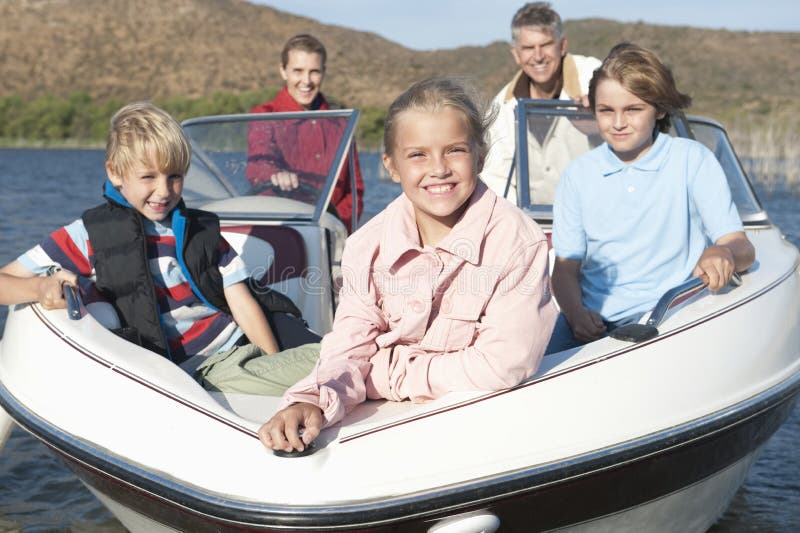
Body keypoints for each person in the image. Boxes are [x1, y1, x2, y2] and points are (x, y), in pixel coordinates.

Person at [257, 77, 558, 453]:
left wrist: (385, 374)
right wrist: (312, 400)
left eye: (455, 150)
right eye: (418, 155)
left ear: (480, 156)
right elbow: (351, 344)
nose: (438, 169)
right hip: (385, 430)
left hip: (480, 431)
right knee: (250, 376)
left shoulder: (517, 243)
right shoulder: (367, 245)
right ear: (392, 166)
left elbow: (502, 364)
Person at [0, 102, 319, 385]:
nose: (164, 191)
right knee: (335, 364)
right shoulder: (86, 236)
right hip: (209, 367)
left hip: (241, 337)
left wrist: (272, 361)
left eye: (175, 176)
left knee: (341, 352)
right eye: (148, 177)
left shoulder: (200, 230)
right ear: (115, 173)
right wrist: (39, 289)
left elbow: (241, 301)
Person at [546, 43, 755, 353]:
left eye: (633, 109)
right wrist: (576, 315)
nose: (618, 122)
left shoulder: (692, 160)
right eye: (606, 110)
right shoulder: (577, 175)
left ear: (659, 109)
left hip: (671, 318)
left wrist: (723, 253)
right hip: (591, 322)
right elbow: (565, 270)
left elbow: (742, 246)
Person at [482, 2, 601, 205]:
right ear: (516, 54)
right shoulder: (502, 106)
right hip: (535, 226)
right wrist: (516, 222)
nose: (538, 56)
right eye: (528, 48)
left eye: (545, 45)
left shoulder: (597, 78)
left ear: (562, 45)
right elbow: (496, 177)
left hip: (596, 216)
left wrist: (599, 123)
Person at [246, 33, 364, 233]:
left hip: (331, 234)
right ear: (283, 71)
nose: (306, 81)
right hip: (283, 231)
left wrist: (335, 228)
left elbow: (354, 191)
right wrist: (274, 174)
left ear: (323, 73)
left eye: (314, 72)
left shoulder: (341, 123)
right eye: (298, 71)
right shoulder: (264, 116)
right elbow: (258, 165)